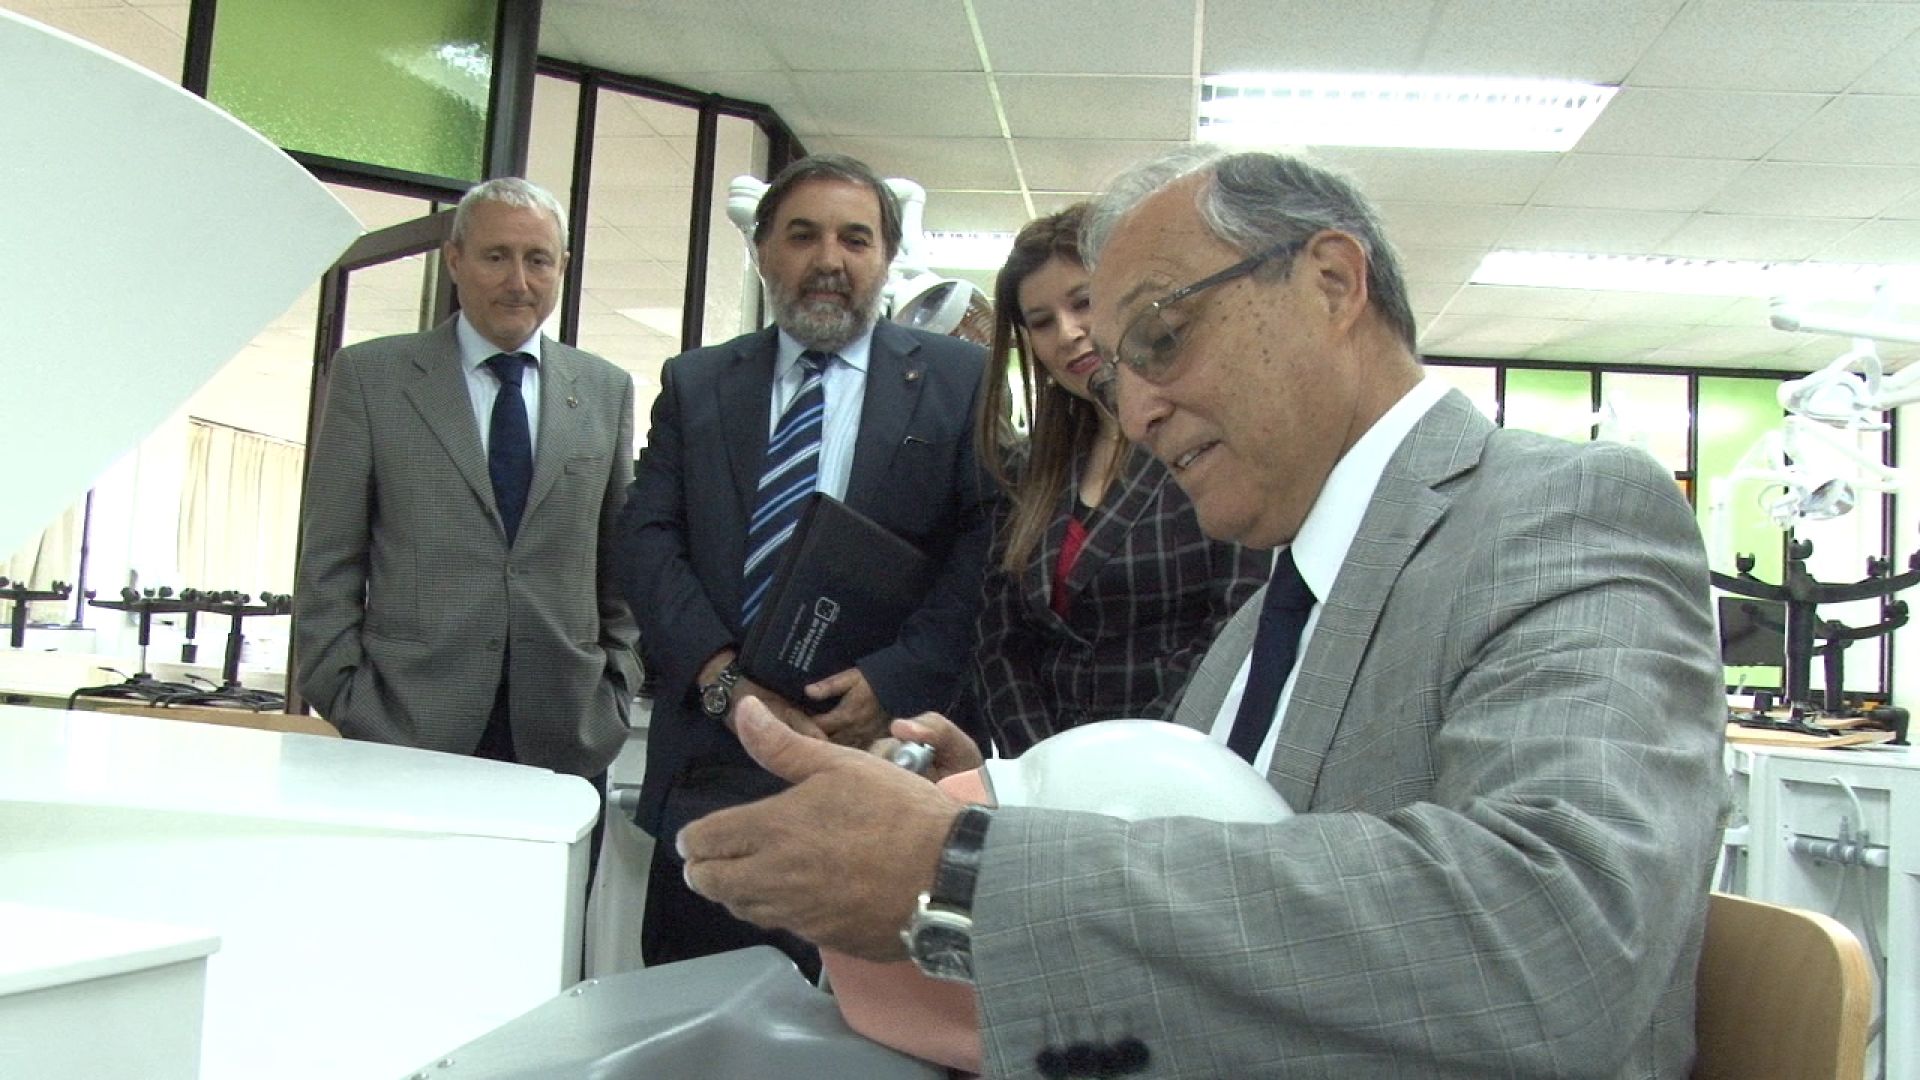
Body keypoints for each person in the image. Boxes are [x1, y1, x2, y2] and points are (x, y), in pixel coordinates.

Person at [677, 146, 1728, 1079]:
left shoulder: (1566, 510)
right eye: (1119, 370)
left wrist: (962, 869)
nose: (1136, 409)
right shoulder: (1268, 614)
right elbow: (1233, 881)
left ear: (1330, 283)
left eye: (1163, 338)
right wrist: (1000, 799)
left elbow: (1562, 942)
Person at [616, 153, 991, 979]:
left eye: (855, 239)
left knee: (871, 1021)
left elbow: (983, 548)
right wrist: (724, 681)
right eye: (802, 236)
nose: (830, 260)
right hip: (716, 748)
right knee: (700, 1008)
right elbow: (646, 540)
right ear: (762, 252)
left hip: (883, 763)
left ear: (886, 257)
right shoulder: (698, 383)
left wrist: (891, 681)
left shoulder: (959, 380)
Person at [295, 176, 641, 785]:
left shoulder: (605, 390)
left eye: (538, 260)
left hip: (565, 733)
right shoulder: (372, 379)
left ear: (562, 267)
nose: (519, 281)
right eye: (496, 256)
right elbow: (329, 563)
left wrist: (617, 682)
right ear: (455, 260)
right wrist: (348, 696)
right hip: (403, 730)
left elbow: (620, 566)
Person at [955, 203, 1267, 756]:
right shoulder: (1031, 470)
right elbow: (999, 642)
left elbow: (1236, 625)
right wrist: (1047, 765)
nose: (1068, 333)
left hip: (1182, 762)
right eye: (1042, 322)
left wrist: (1124, 765)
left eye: (1083, 303)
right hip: (1044, 772)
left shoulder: (1209, 441)